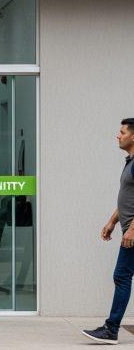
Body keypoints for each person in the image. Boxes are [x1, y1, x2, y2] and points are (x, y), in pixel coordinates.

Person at [83, 118, 134, 345]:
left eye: (122, 132)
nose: (118, 135)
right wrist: (112, 221)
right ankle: (111, 329)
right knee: (123, 276)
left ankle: (111, 329)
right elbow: (127, 198)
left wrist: (132, 229)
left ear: (133, 136)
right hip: (127, 228)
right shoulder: (130, 162)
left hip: (133, 233)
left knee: (121, 276)